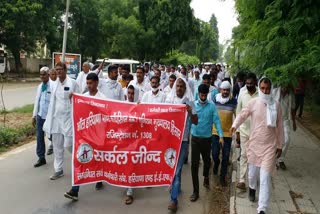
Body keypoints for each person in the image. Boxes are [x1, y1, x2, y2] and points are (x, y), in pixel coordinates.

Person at [230, 77, 284, 214]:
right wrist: (235, 125)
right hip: (254, 145)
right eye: (263, 88)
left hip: (269, 147)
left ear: (271, 89)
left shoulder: (276, 105)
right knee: (252, 175)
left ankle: (262, 209)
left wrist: (280, 144)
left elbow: (280, 126)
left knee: (265, 177)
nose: (265, 91)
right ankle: (252, 188)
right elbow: (242, 114)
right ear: (259, 88)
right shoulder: (254, 102)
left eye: (267, 88)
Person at [64, 73, 106, 201]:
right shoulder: (84, 97)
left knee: (97, 159)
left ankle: (99, 178)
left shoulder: (103, 98)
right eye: (87, 83)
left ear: (97, 83)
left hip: (98, 135)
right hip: (85, 135)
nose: (89, 86)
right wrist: (73, 98)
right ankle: (74, 190)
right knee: (80, 158)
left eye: (91, 83)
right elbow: (77, 109)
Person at [43, 62, 80, 180]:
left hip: (68, 118)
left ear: (65, 70)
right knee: (57, 146)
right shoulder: (54, 84)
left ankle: (81, 159)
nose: (58, 72)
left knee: (68, 144)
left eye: (60, 69)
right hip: (56, 119)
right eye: (57, 69)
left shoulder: (73, 83)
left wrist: (73, 96)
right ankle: (58, 170)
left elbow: (79, 99)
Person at [166, 78, 198, 212]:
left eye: (181, 86)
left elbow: (195, 121)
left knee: (177, 170)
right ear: (174, 87)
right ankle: (176, 188)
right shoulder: (169, 100)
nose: (179, 88)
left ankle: (174, 200)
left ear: (185, 88)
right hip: (169, 139)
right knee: (171, 167)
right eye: (177, 86)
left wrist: (190, 111)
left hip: (183, 140)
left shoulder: (189, 102)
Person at [190, 84, 224, 202]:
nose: (203, 97)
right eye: (201, 95)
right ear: (198, 94)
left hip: (207, 139)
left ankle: (205, 176)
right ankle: (195, 191)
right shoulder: (193, 105)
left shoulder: (212, 106)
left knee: (207, 161)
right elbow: (189, 121)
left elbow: (217, 121)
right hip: (195, 138)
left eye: (205, 95)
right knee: (194, 166)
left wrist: (221, 135)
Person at [235, 72, 259, 190]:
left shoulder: (261, 94)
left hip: (257, 132)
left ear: (255, 82)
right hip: (244, 130)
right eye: (247, 83)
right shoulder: (242, 94)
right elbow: (238, 113)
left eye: (251, 83)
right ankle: (242, 180)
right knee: (244, 155)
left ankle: (253, 179)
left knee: (254, 157)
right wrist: (237, 132)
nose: (249, 85)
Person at [211, 81, 237, 186]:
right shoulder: (214, 100)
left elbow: (237, 116)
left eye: (227, 90)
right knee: (215, 154)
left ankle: (223, 177)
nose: (225, 92)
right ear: (220, 89)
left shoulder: (233, 101)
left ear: (229, 91)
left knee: (226, 157)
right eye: (223, 89)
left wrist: (237, 130)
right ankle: (216, 163)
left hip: (227, 134)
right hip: (215, 132)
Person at [32, 67, 53, 167]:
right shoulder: (40, 86)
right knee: (39, 136)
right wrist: (34, 115)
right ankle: (41, 158)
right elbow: (37, 101)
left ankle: (57, 151)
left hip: (50, 116)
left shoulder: (53, 86)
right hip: (40, 115)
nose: (42, 76)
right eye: (40, 74)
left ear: (48, 75)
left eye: (44, 74)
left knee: (52, 136)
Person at [273, 85, 297, 170]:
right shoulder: (274, 92)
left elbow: (293, 109)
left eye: (287, 86)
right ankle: (273, 160)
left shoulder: (291, 95)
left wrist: (294, 122)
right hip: (275, 120)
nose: (285, 88)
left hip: (285, 120)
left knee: (287, 140)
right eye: (284, 85)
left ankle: (280, 159)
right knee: (274, 141)